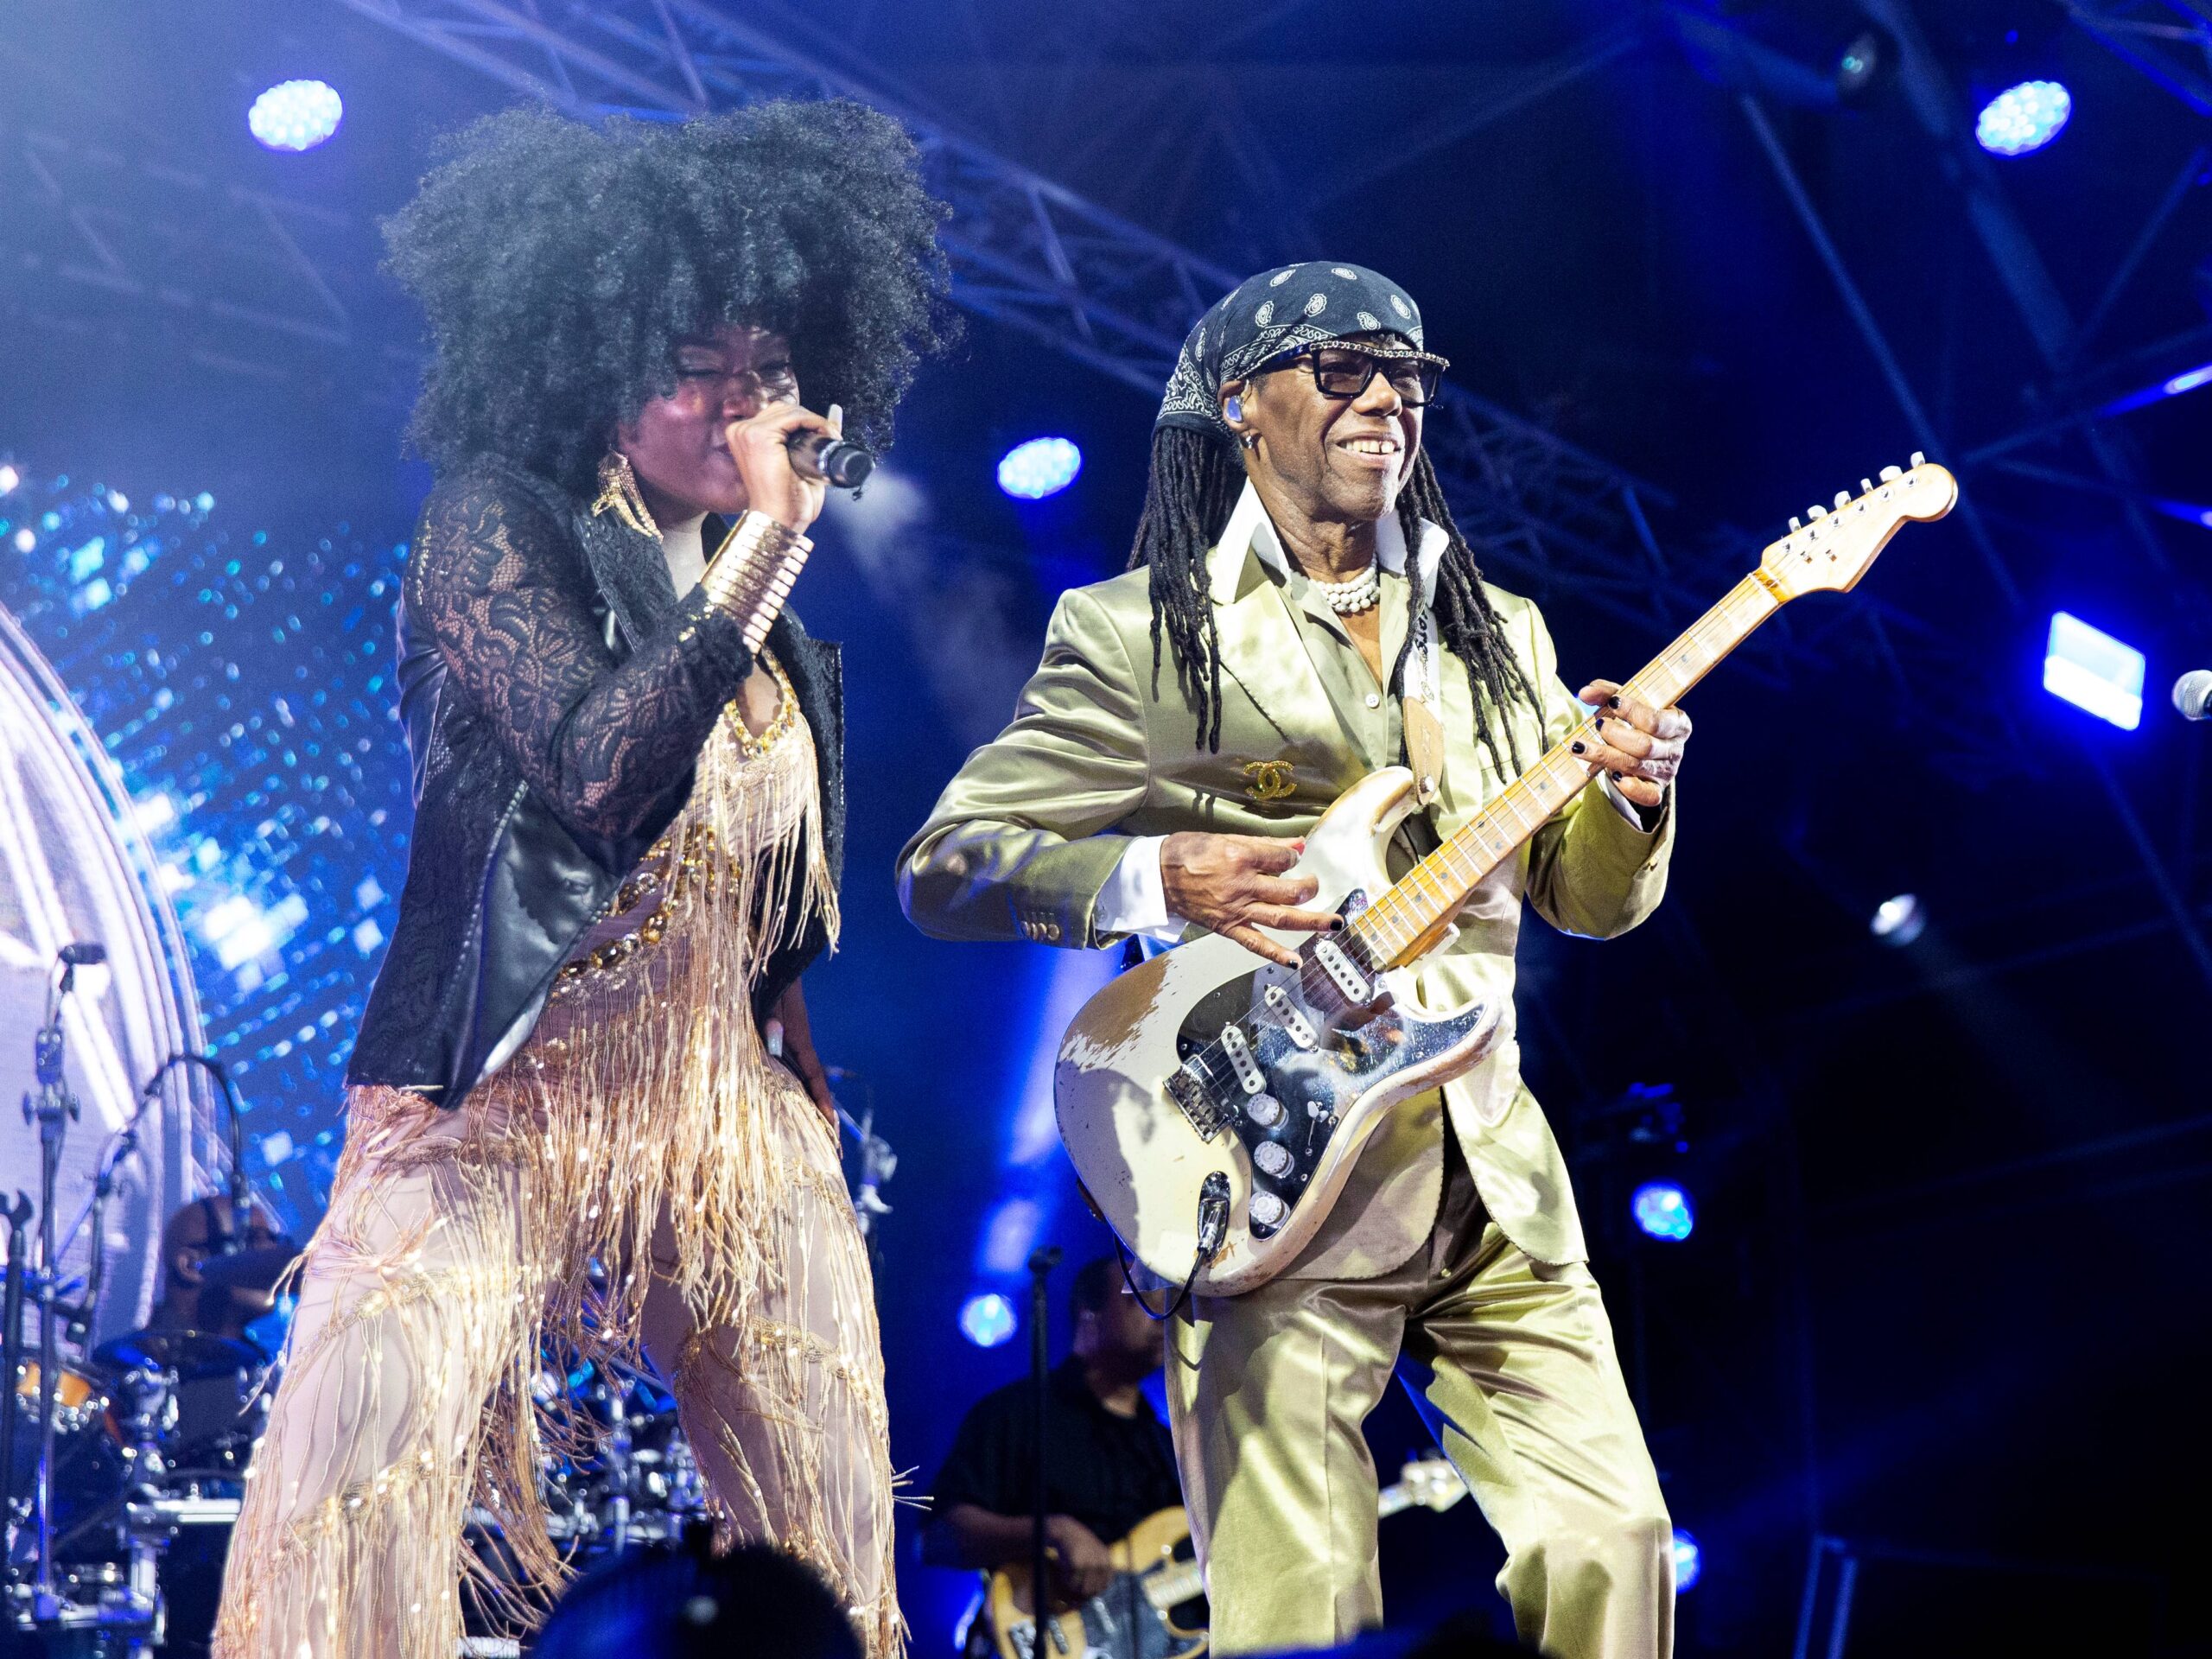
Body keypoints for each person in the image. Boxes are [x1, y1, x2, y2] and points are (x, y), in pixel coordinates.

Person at [214, 102, 950, 1659]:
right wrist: (764, 549)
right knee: (359, 1472)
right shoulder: (498, 524)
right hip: (501, 1081)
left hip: (716, 1095)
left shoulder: (781, 640)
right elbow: (602, 771)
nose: (744, 399)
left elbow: (755, 885)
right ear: (596, 370)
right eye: (696, 363)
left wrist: (795, 1057)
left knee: (826, 1499)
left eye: (768, 367)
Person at [899, 264, 1688, 1658]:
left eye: (1408, 375)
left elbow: (1585, 899)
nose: (1387, 398)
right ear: (1241, 405)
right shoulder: (1140, 634)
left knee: (1615, 1546)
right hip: (1268, 1177)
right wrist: (1158, 872)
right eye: (1341, 369)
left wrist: (1631, 800)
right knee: (1300, 1617)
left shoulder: (1499, 632)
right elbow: (948, 865)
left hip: (1487, 1167)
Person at [924, 1257, 1182, 1648]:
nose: (1160, 1314)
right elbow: (938, 1536)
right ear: (1090, 1313)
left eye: (1164, 1302)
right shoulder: (1017, 1412)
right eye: (1140, 1299)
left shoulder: (1165, 1445)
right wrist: (1051, 1531)